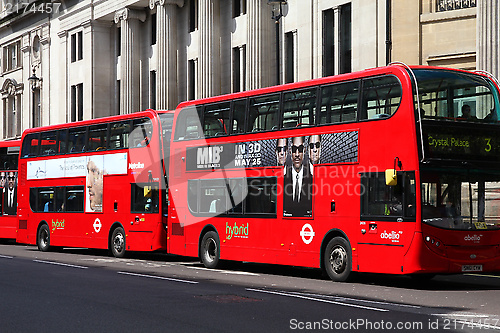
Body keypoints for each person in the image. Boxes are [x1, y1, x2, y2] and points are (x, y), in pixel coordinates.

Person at [283, 136, 313, 217]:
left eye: (300, 149)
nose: (297, 154)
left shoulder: (312, 177)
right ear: (290, 152)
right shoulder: (283, 177)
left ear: (304, 151)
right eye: (293, 149)